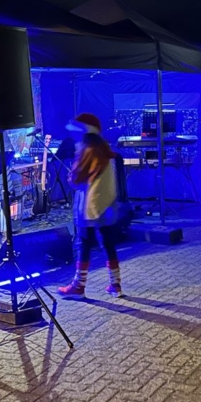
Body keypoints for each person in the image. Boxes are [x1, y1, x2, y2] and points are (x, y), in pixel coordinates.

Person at [58, 113, 124, 298]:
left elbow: (76, 179)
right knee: (108, 244)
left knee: (84, 244)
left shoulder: (88, 150)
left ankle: (78, 286)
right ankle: (115, 285)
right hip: (105, 204)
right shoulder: (103, 147)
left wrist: (71, 176)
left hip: (90, 205)